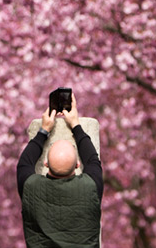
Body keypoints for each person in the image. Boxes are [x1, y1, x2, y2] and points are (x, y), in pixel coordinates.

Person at [16, 92, 104, 247]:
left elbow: (25, 163)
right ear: (77, 164)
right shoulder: (91, 187)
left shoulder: (31, 187)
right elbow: (92, 160)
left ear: (46, 163)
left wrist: (44, 130)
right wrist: (75, 125)